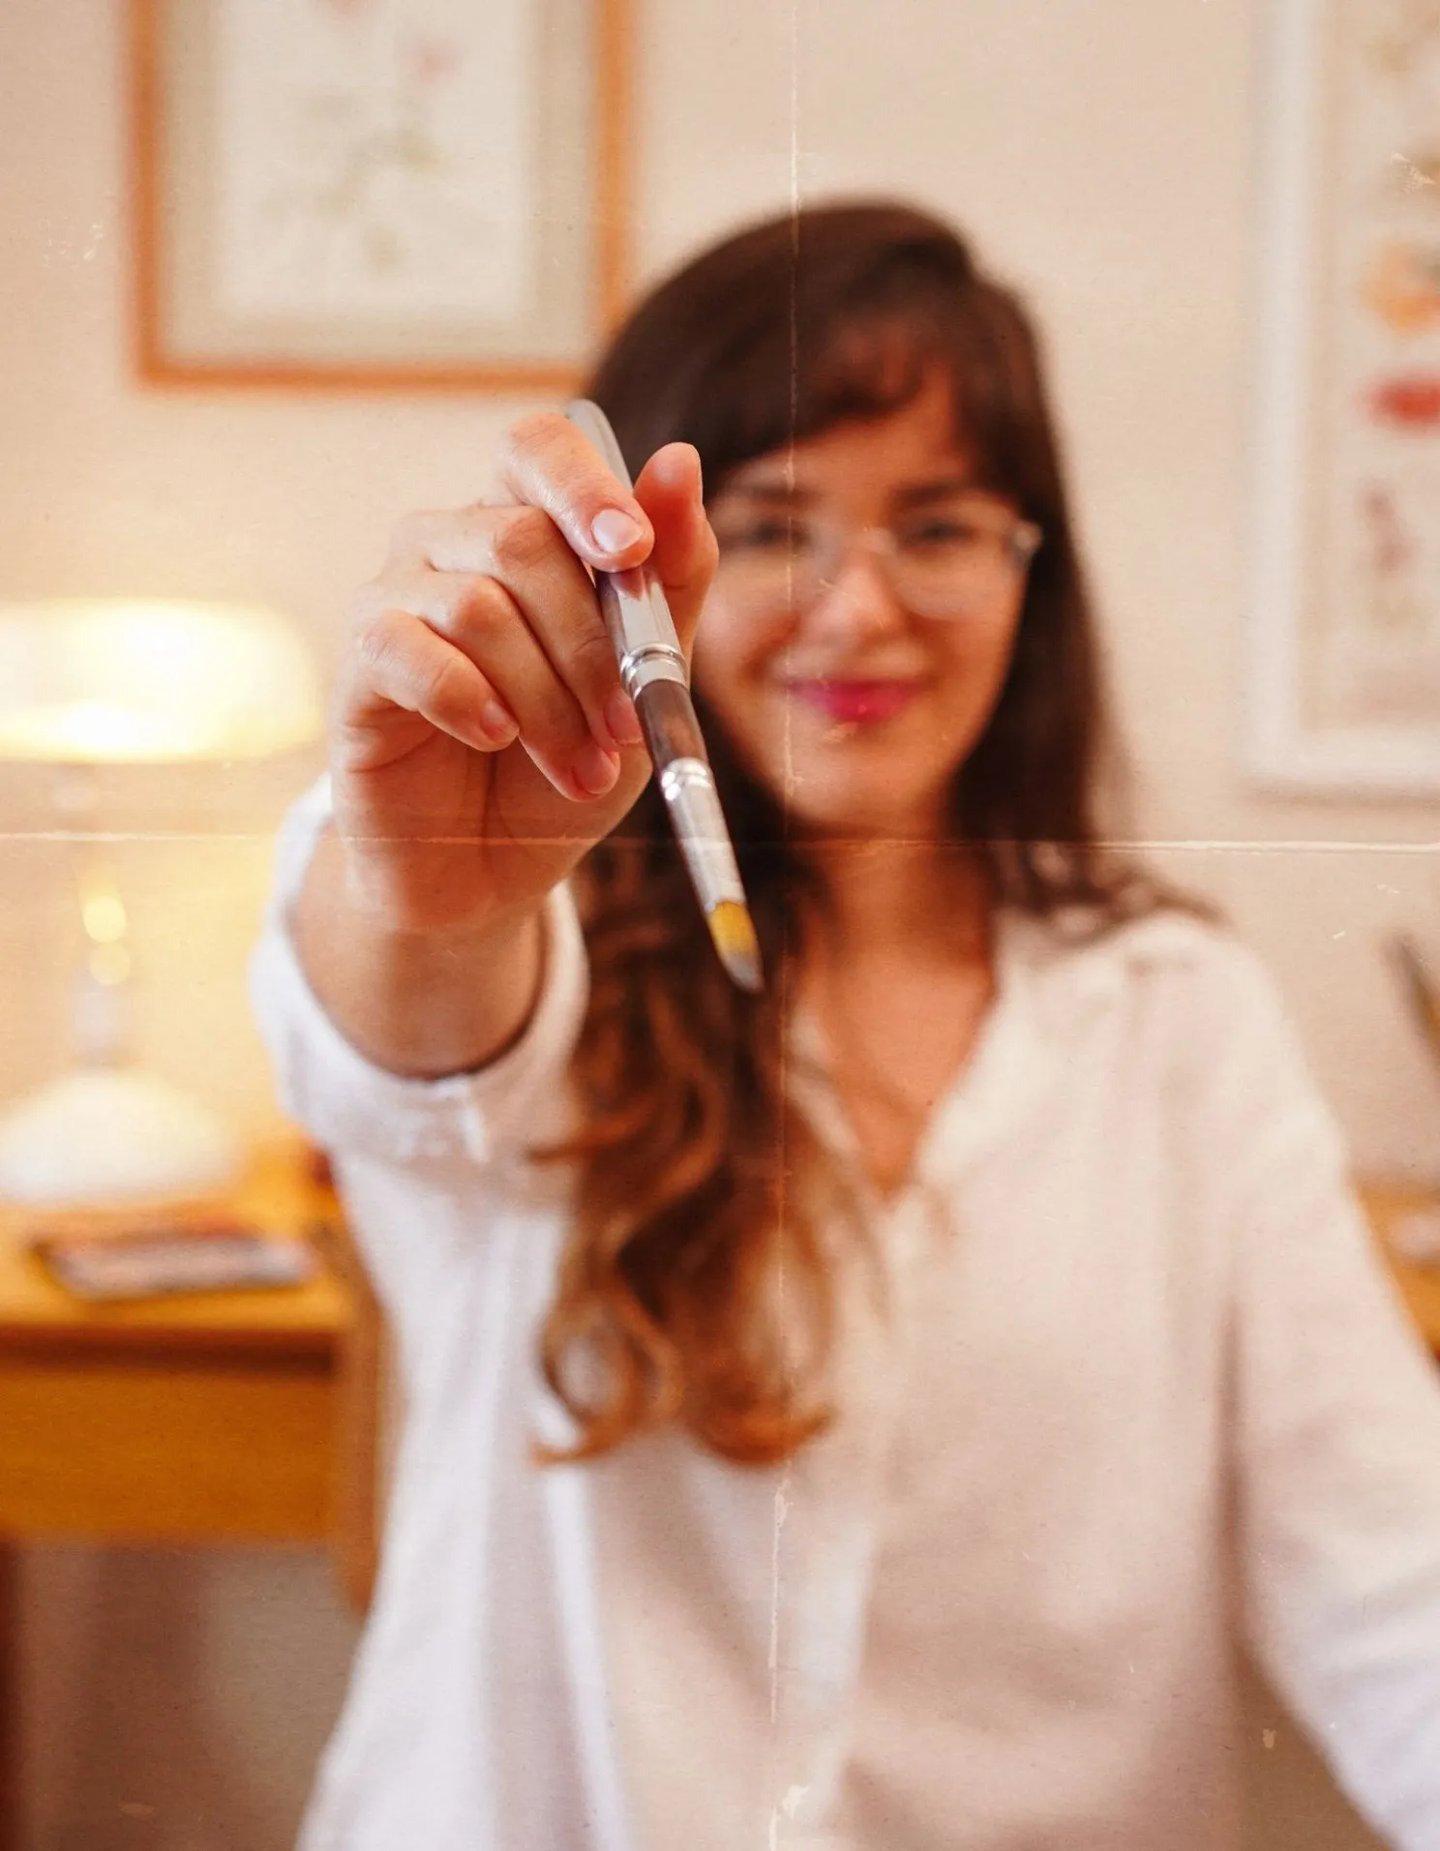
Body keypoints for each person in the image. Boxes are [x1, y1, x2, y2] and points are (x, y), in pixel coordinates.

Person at [251, 201, 1440, 1851]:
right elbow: (395, 1044)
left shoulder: (1178, 1016)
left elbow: (1390, 1574)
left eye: (936, 526)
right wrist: (431, 896)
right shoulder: (540, 947)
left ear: (1029, 568)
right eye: (775, 529)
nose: (860, 609)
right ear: (643, 581)